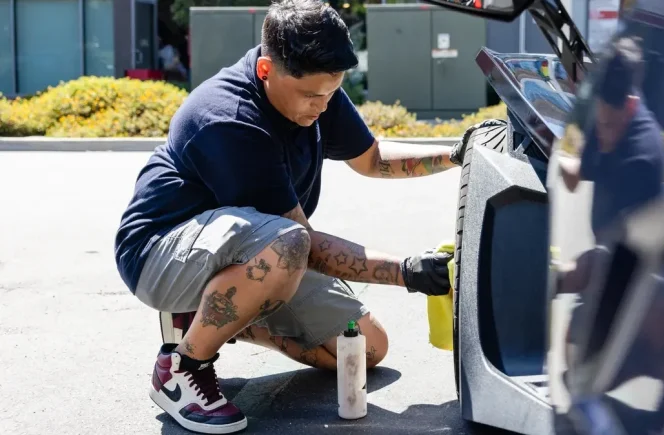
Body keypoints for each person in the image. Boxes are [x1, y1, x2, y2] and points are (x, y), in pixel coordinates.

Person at [114, 1, 472, 432]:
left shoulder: (316, 87)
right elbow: (303, 243)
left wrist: (455, 155)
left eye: (331, 92)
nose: (322, 105)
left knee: (366, 349)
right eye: (311, 95)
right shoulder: (228, 120)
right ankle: (182, 367)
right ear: (266, 70)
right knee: (288, 245)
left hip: (252, 252)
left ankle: (213, 317)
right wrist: (406, 271)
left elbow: (372, 159)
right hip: (160, 253)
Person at [556, 36, 664, 434]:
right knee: (579, 357)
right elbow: (579, 173)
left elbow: (616, 257)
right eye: (599, 122)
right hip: (647, 273)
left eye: (611, 125)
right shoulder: (603, 116)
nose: (603, 133)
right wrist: (547, 142)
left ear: (632, 105)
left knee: (646, 289)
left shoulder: (644, 155)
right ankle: (626, 377)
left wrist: (557, 279)